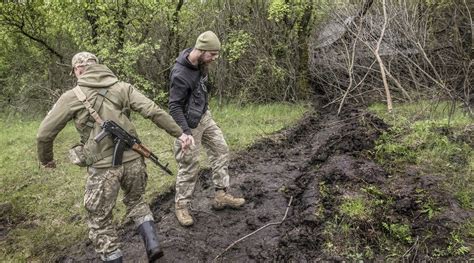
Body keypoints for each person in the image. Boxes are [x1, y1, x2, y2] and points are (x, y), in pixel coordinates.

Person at [37, 52, 192, 262]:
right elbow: (153, 111)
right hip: (134, 161)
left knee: (99, 219)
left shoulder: (72, 96)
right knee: (137, 201)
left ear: (77, 71)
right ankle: (153, 247)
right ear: (97, 66)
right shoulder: (122, 87)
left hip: (103, 169)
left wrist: (46, 160)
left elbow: (44, 134)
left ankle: (113, 257)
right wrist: (180, 133)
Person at [169, 31, 245, 227]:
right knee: (189, 165)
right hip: (187, 126)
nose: (214, 58)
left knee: (221, 150)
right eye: (212, 54)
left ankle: (221, 195)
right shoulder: (180, 74)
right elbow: (174, 106)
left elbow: (201, 90)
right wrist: (185, 133)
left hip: (204, 117)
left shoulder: (201, 63)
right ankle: (182, 206)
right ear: (201, 50)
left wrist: (204, 109)